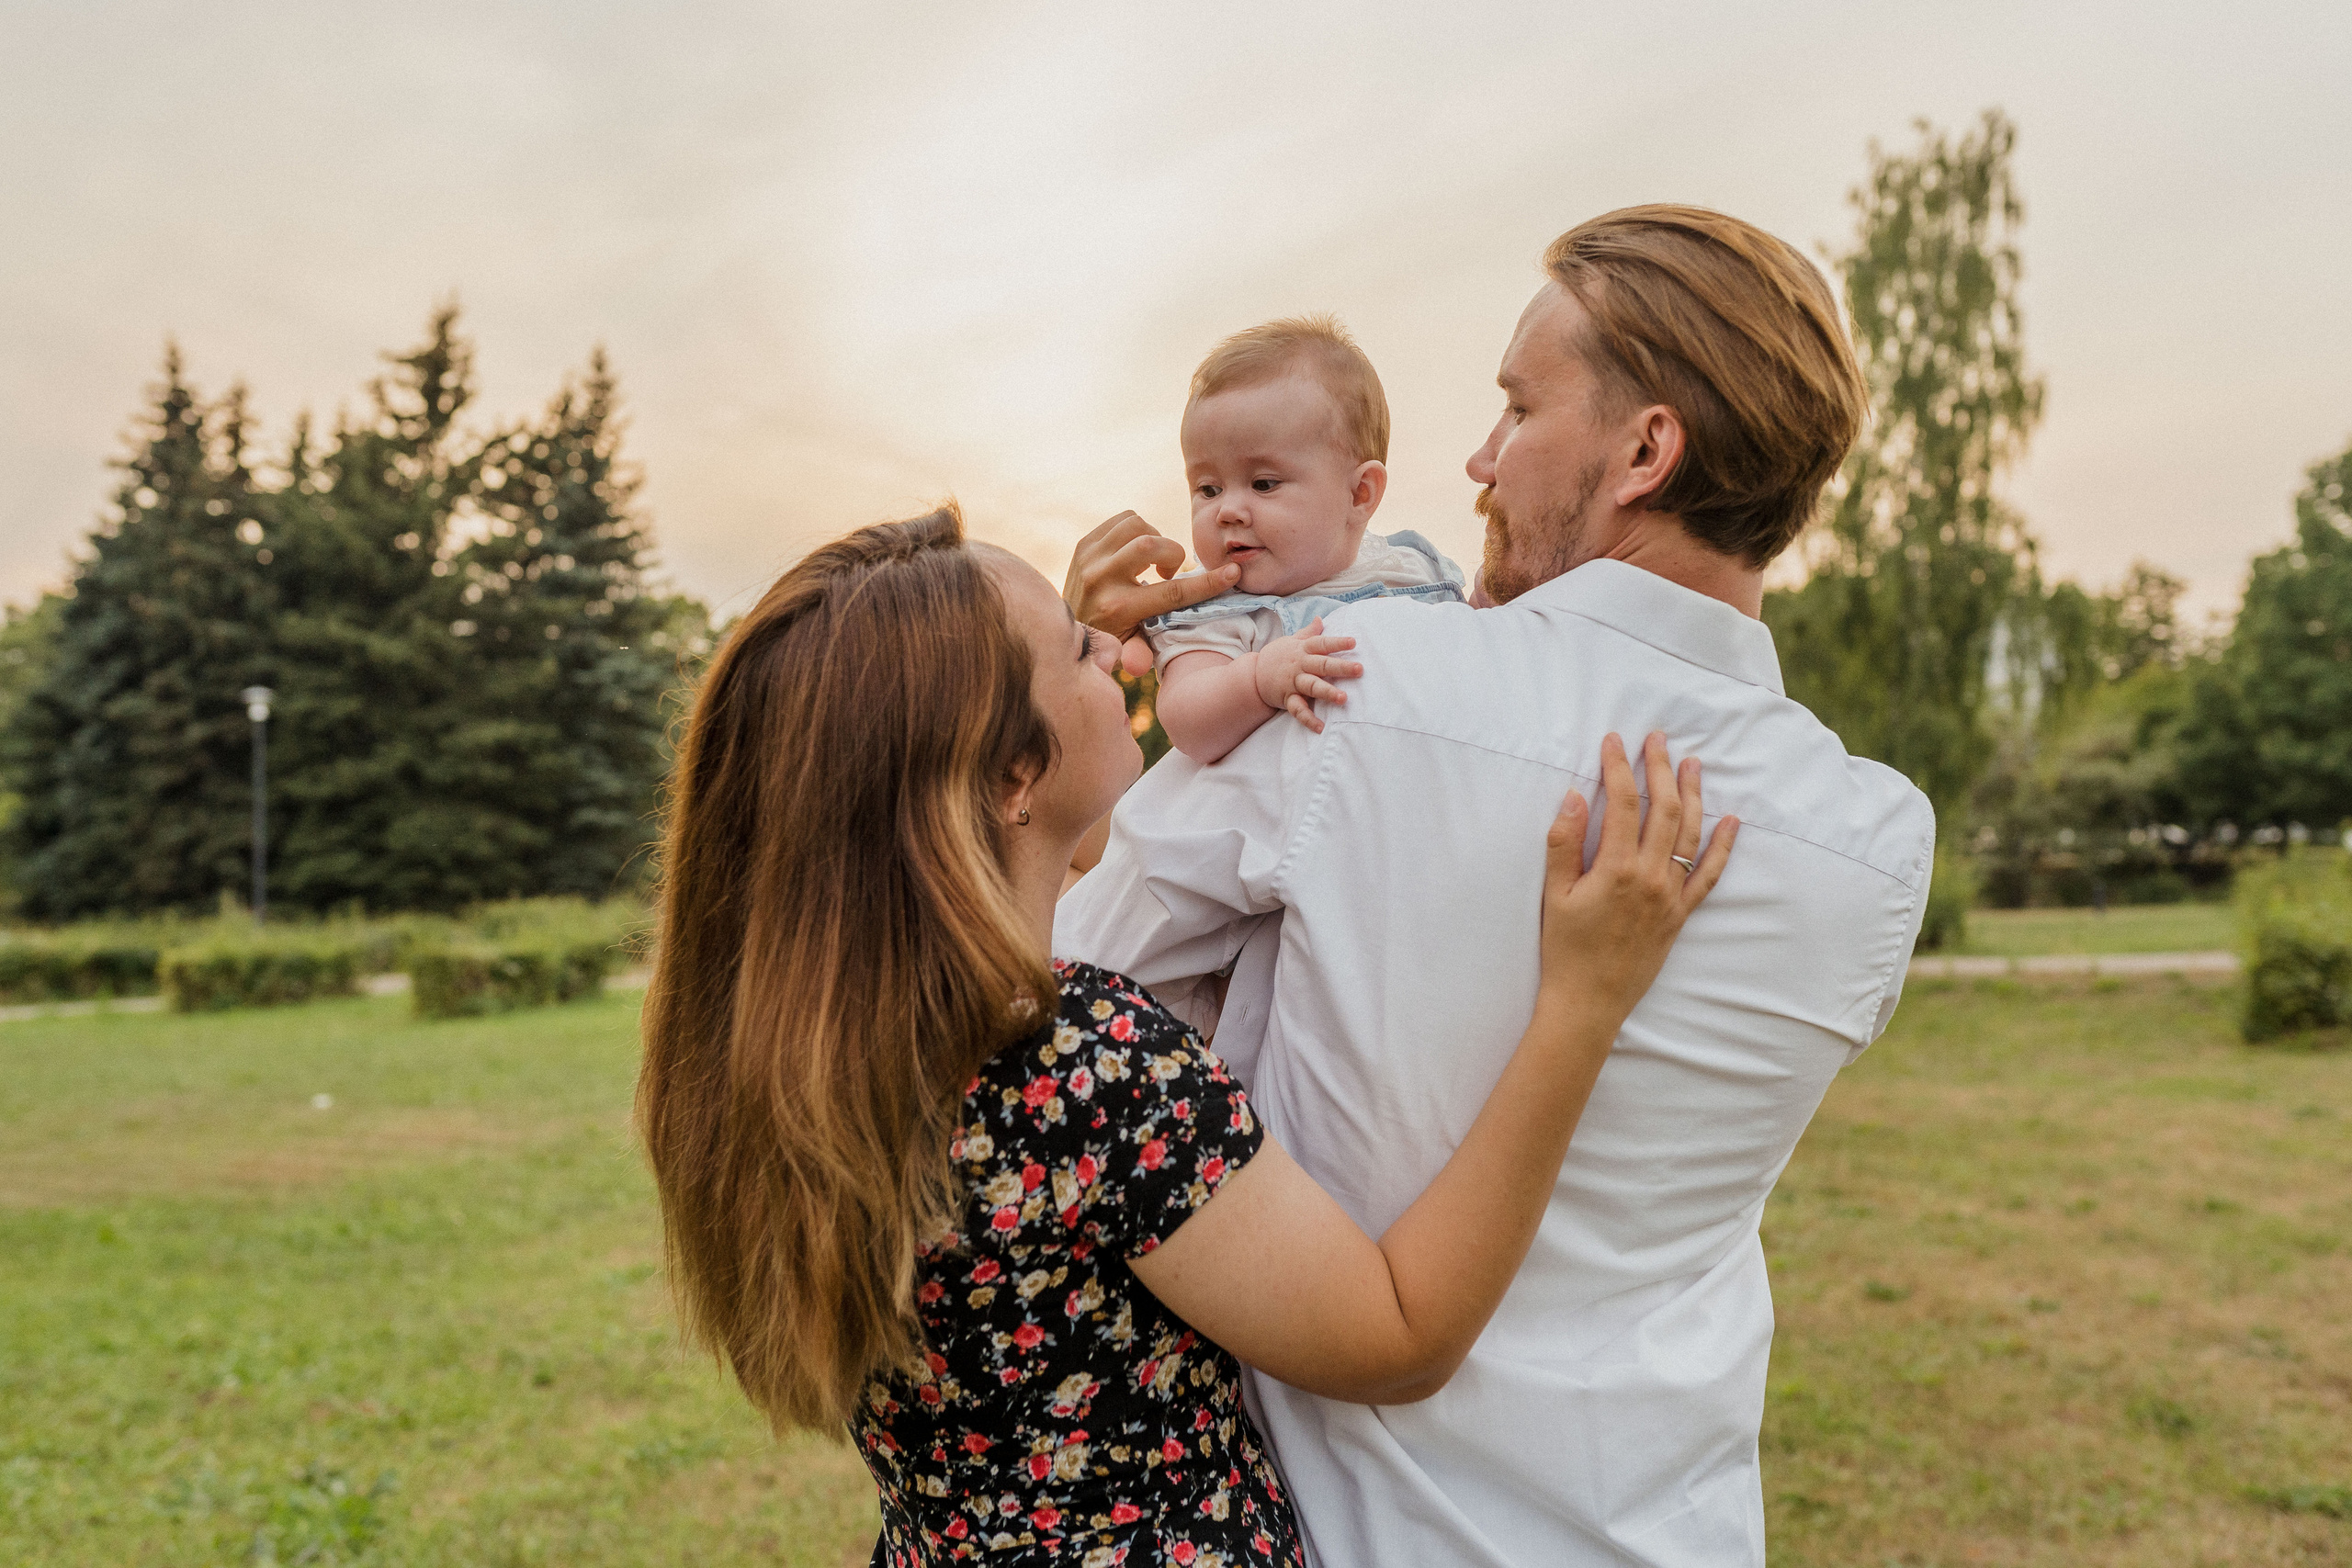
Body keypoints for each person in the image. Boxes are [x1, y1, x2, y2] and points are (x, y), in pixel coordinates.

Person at [1058, 205, 1939, 1566]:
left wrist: (1071, 678)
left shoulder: (1363, 685)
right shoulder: (1877, 841)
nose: (1474, 460)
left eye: (1517, 409)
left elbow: (1060, 973)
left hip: (1352, 1527)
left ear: (1645, 451)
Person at [635, 504, 1733, 1564]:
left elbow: (1038, 855)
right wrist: (1582, 1001)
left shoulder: (804, 1056)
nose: (1123, 661)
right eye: (1081, 652)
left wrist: (1028, 663)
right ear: (1015, 774)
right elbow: (1400, 1336)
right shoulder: (1083, 1067)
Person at [1140, 315, 1464, 763]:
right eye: (1208, 489)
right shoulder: (1218, 615)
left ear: (1359, 493)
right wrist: (1256, 680)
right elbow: (1187, 721)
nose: (1227, 510)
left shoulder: (1411, 568)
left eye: (1264, 484)